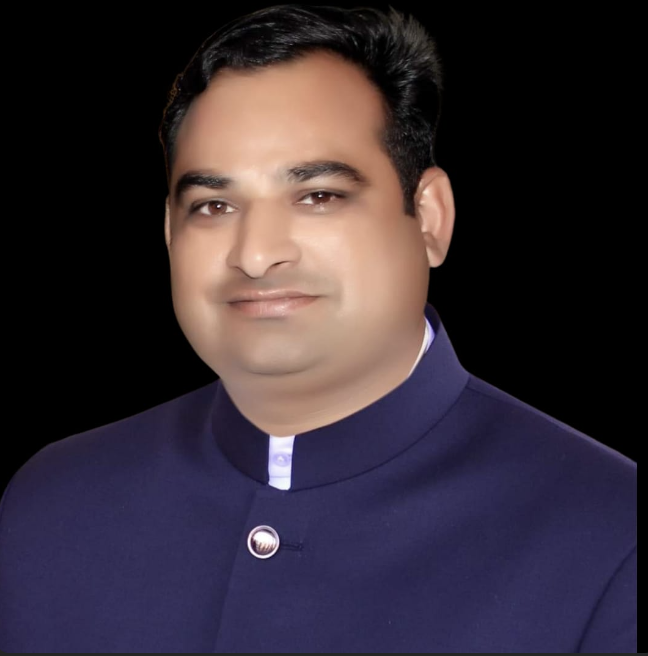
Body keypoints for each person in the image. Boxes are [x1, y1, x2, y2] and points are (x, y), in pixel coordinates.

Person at [0, 4, 636, 653]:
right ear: (169, 233)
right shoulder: (51, 506)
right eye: (214, 205)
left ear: (429, 218)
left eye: (318, 196)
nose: (255, 254)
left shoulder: (614, 538)